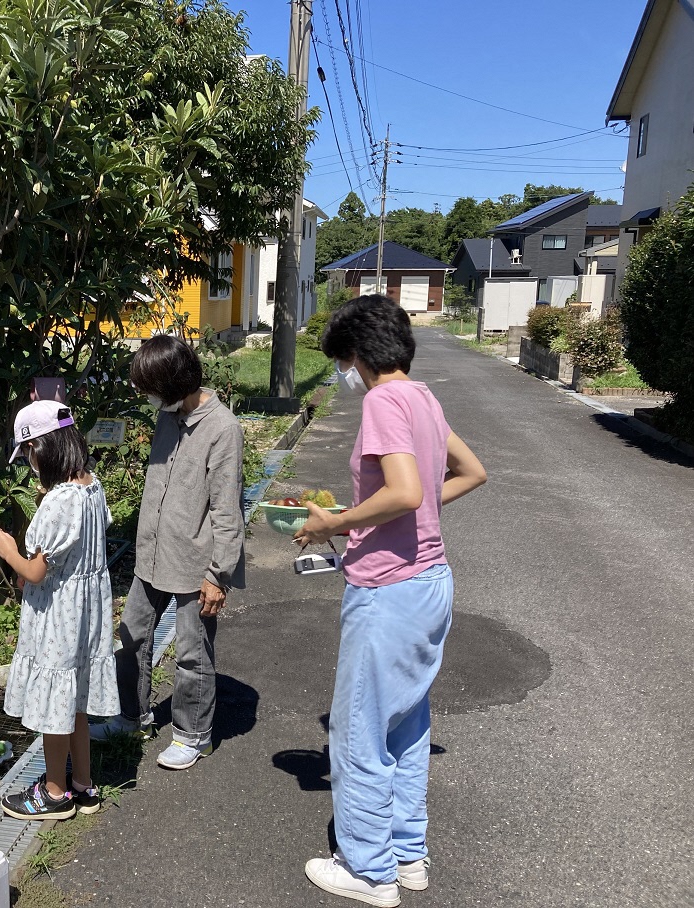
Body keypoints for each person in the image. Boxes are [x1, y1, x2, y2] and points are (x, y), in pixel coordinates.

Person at [295, 294, 486, 907]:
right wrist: (396, 514)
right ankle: (408, 856)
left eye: (341, 362)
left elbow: (404, 491)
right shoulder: (424, 398)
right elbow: (469, 472)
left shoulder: (382, 399)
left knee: (358, 733)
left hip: (388, 590)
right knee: (406, 725)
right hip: (432, 581)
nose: (343, 376)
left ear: (356, 355)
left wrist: (338, 524)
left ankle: (368, 870)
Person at [90, 334, 245, 771]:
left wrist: (219, 575)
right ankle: (130, 716)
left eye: (152, 388)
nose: (148, 397)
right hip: (152, 554)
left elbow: (227, 509)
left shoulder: (222, 429)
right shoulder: (168, 415)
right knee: (132, 634)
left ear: (175, 382)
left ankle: (193, 735)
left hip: (197, 562)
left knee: (193, 651)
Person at [0, 400, 120, 819]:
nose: (29, 463)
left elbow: (35, 572)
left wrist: (9, 551)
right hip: (86, 617)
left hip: (59, 617)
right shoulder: (91, 485)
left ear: (41, 448)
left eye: (28, 453)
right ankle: (83, 784)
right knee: (76, 701)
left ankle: (53, 792)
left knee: (54, 707)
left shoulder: (58, 501)